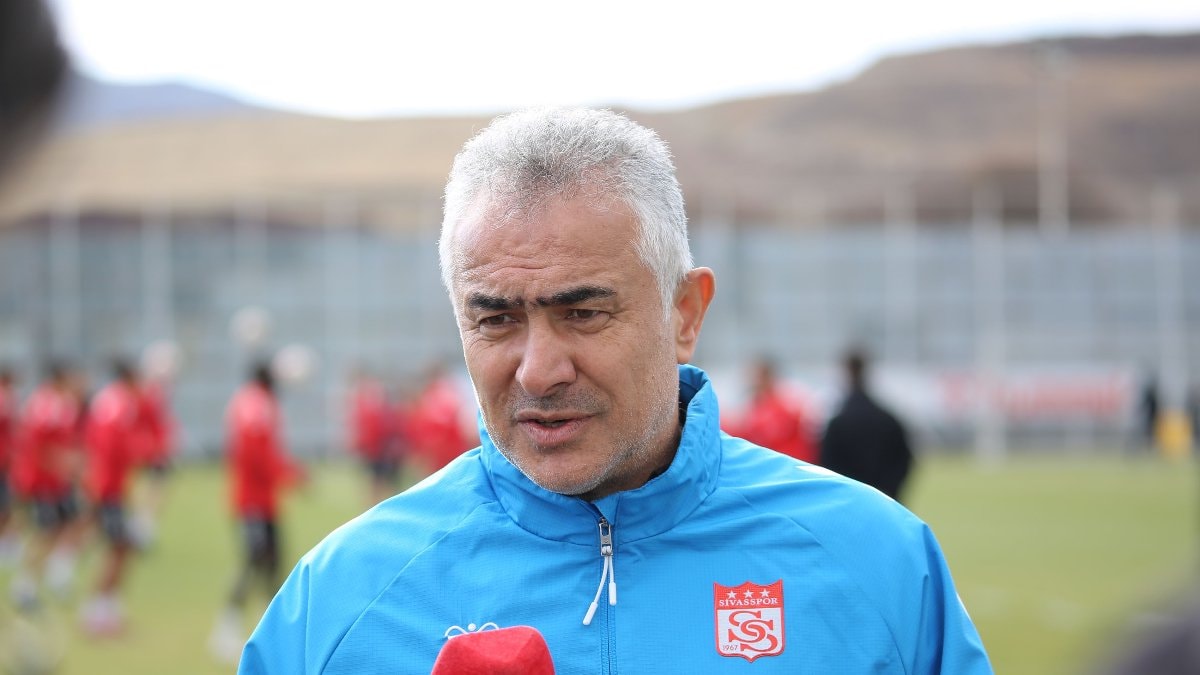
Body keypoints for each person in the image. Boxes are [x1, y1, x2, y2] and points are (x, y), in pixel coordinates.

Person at [240, 108, 990, 673]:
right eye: (496, 319)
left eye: (584, 313)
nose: (538, 370)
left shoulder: (878, 564)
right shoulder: (341, 601)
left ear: (685, 313)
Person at [211, 362, 304, 663]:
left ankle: (271, 632)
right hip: (253, 499)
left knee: (272, 564)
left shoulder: (246, 400)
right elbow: (256, 453)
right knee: (255, 560)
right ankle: (227, 626)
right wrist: (287, 473)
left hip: (260, 499)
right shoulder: (258, 404)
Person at [9, 361, 84, 608]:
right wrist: (67, 465)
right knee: (46, 532)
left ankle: (56, 573)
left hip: (57, 480)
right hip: (43, 481)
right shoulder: (47, 405)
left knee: (72, 523)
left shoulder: (62, 403)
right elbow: (39, 447)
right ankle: (25, 587)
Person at [78, 358, 143, 635]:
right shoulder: (120, 404)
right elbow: (115, 447)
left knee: (120, 547)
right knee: (118, 548)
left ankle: (106, 609)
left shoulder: (104, 400)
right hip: (109, 487)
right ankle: (97, 613)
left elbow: (93, 440)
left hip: (104, 484)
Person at [820, 348, 915, 503]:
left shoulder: (838, 423)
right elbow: (904, 461)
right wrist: (890, 491)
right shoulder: (888, 419)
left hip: (849, 499)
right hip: (884, 499)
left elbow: (827, 464)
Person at [723, 356, 820, 463]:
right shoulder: (753, 408)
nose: (752, 382)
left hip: (788, 464)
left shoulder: (787, 405)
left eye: (757, 377)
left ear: (767, 377)